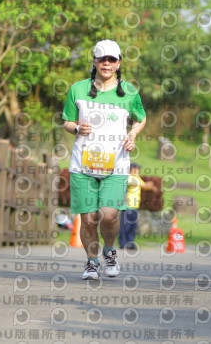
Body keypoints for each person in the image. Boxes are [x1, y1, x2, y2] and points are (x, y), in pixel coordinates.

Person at [62, 39, 147, 280]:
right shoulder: (78, 89)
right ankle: (91, 262)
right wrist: (77, 128)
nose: (106, 63)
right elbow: (67, 121)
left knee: (109, 215)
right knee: (88, 219)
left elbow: (140, 118)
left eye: (111, 59)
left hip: (117, 165)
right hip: (82, 165)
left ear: (119, 62)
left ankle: (109, 252)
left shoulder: (129, 92)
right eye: (102, 59)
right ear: (94, 61)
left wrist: (132, 135)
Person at [118, 163, 156, 250]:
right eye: (137, 169)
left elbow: (145, 186)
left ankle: (130, 243)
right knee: (125, 226)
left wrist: (151, 187)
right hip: (127, 206)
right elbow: (134, 184)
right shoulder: (128, 177)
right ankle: (123, 243)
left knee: (133, 226)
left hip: (135, 207)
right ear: (131, 169)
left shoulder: (137, 178)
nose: (138, 171)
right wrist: (146, 185)